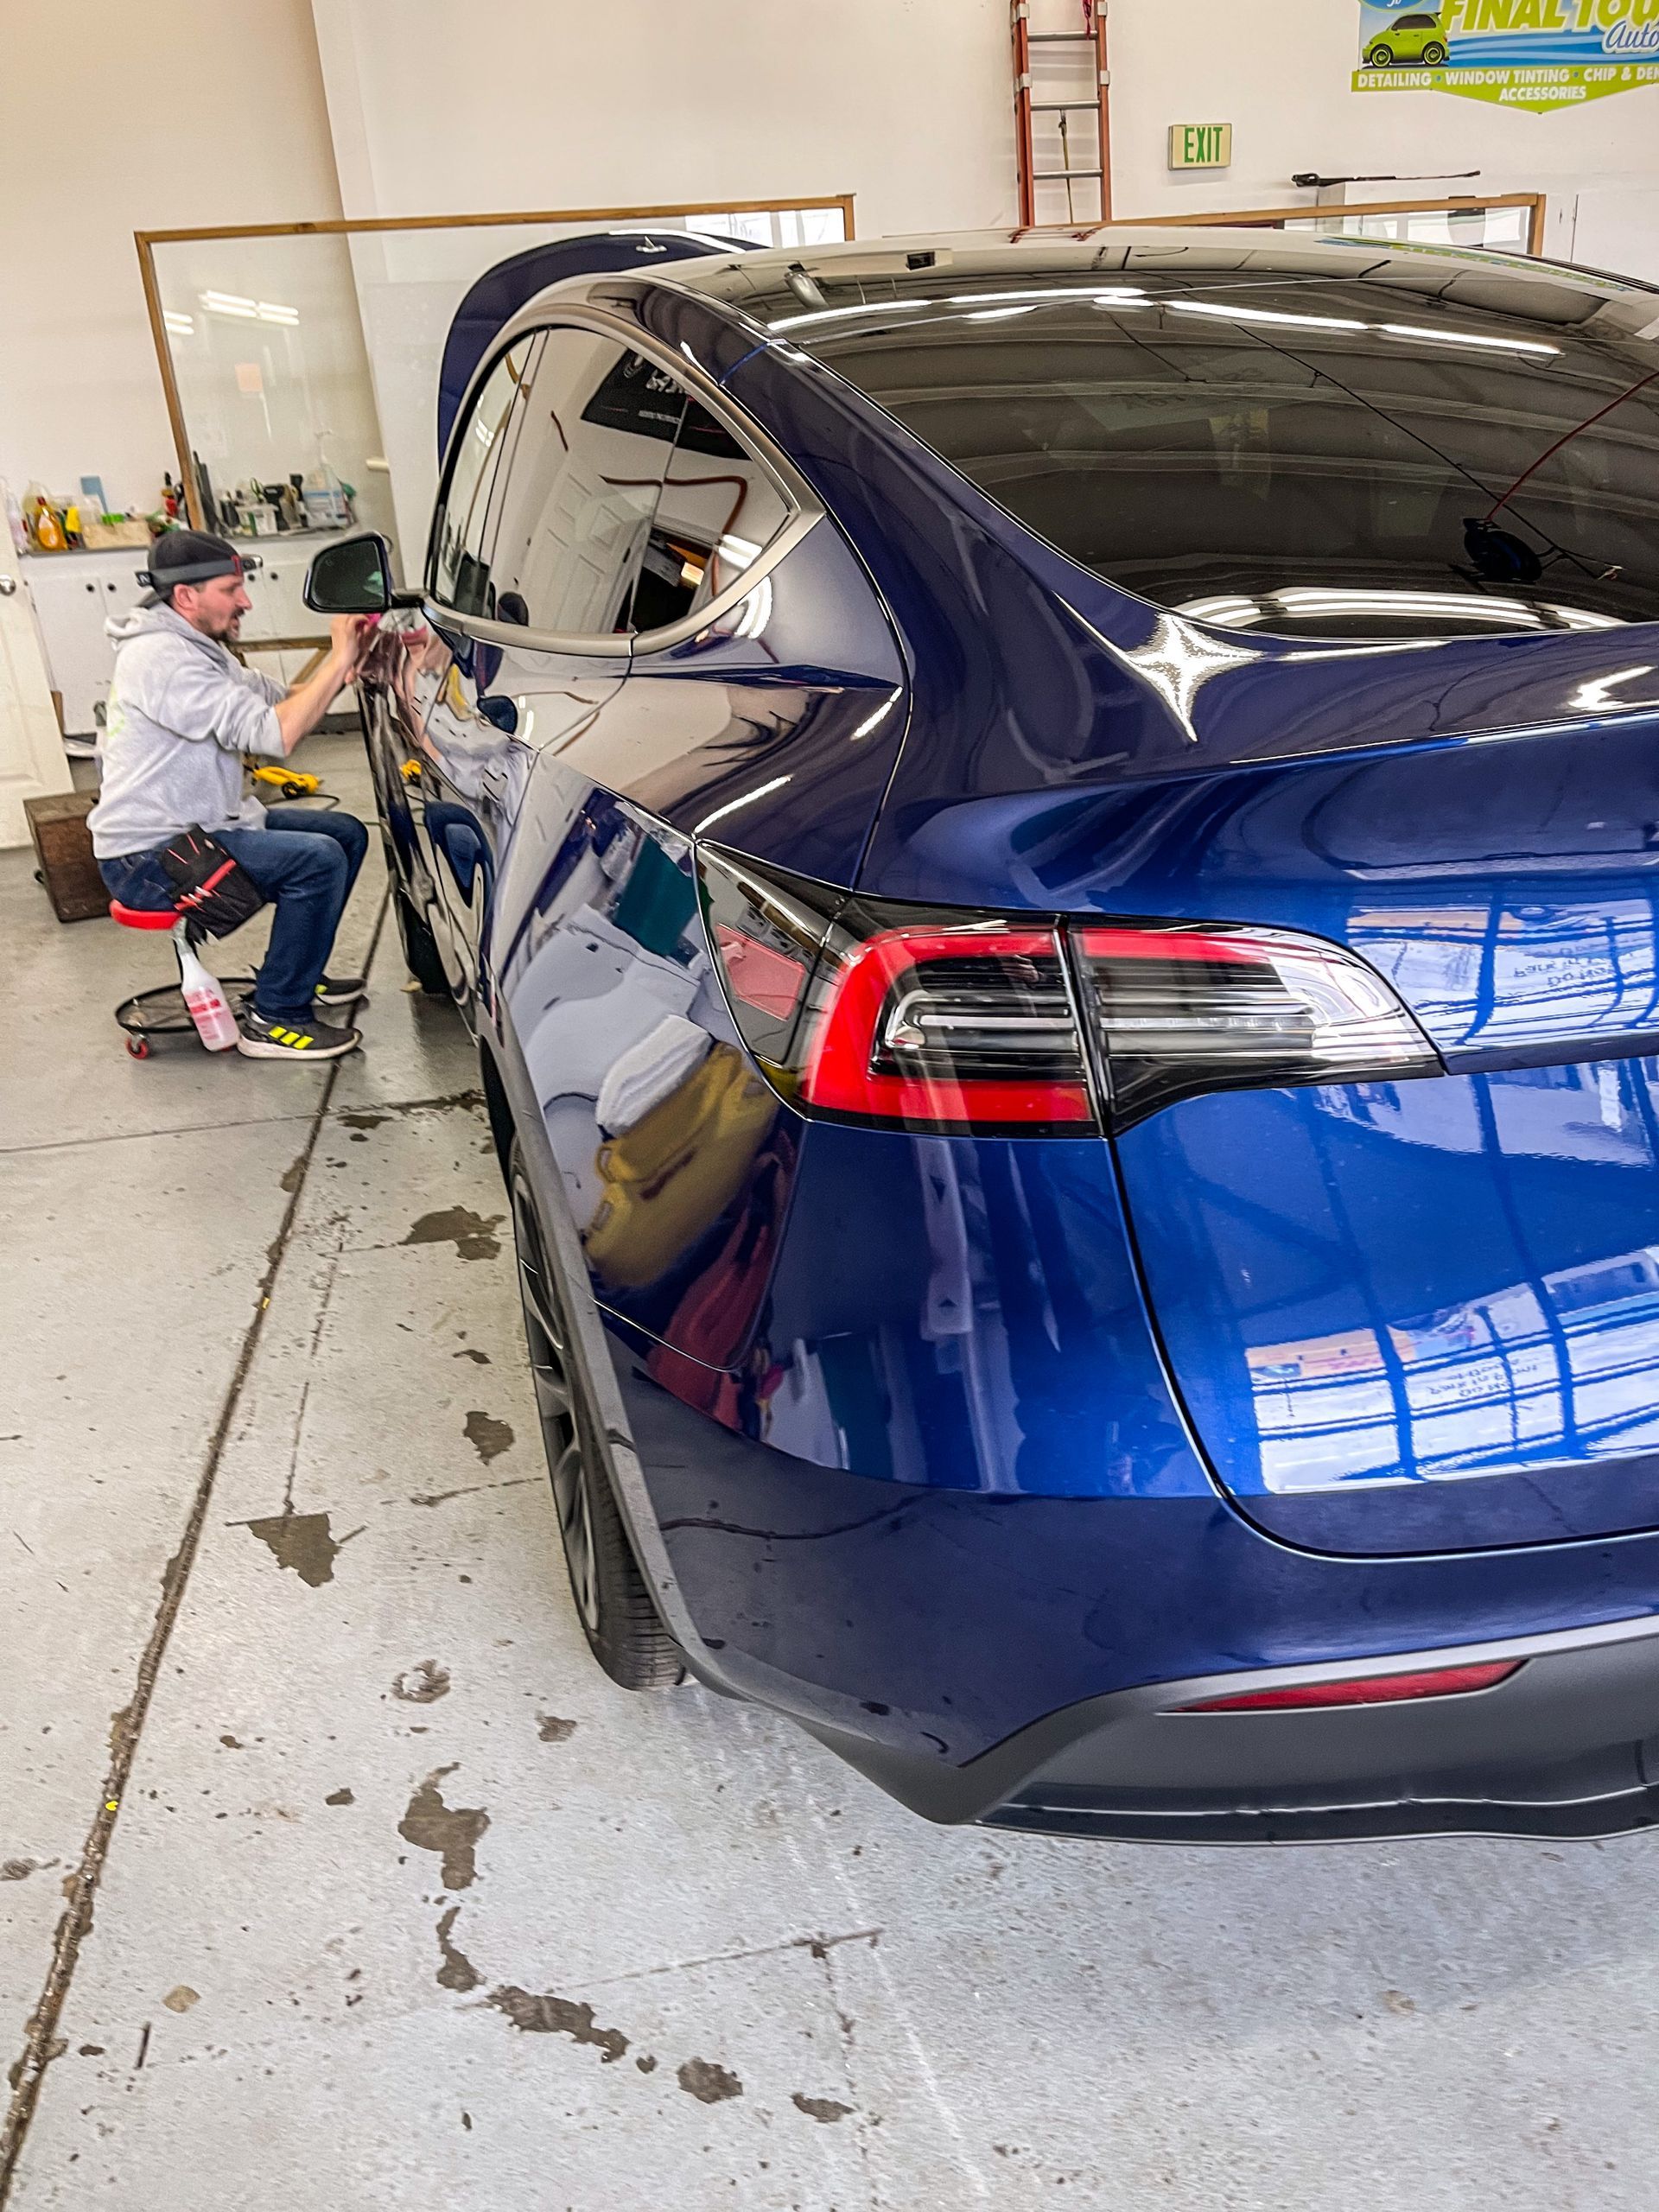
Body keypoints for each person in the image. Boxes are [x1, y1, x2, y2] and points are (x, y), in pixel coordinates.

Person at [89, 531, 377, 1060]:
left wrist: (359, 659)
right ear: (186, 597)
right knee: (316, 861)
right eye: (231, 589)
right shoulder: (163, 658)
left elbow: (284, 701)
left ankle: (295, 975)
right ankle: (275, 1016)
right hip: (149, 858)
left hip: (199, 830)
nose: (245, 600)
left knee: (345, 834)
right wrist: (337, 660)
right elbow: (278, 735)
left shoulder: (199, 650)